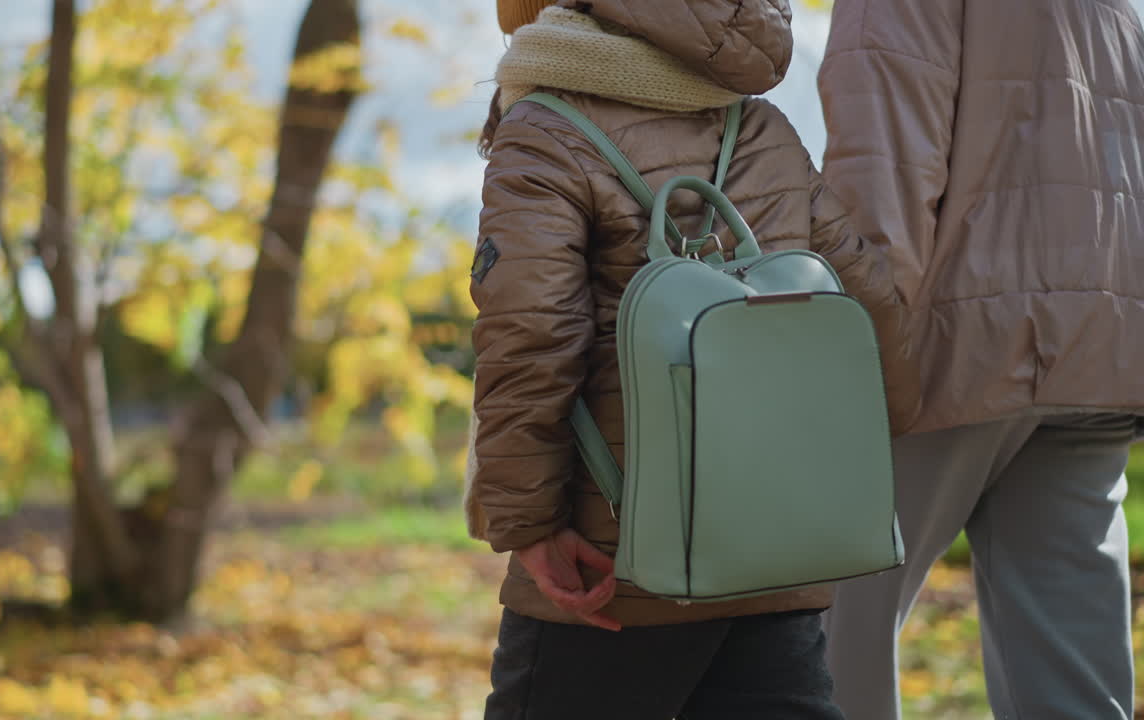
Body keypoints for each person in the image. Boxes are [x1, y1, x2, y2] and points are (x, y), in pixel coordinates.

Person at [464, 1, 921, 717]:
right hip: (778, 538)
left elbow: (531, 333)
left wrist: (530, 523)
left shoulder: (547, 128)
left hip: (615, 554)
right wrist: (859, 463)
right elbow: (867, 304)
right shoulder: (760, 126)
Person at [816, 1, 1144, 718]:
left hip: (951, 347)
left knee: (823, 642)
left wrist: (847, 356)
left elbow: (883, 168)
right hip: (1101, 345)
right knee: (1072, 681)